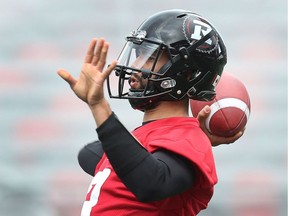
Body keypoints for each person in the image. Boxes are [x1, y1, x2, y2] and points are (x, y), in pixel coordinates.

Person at [57, 9, 243, 216]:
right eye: (138, 54)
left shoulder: (190, 141)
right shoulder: (154, 139)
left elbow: (152, 183)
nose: (135, 66)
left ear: (187, 73)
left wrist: (99, 106)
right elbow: (88, 155)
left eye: (149, 56)